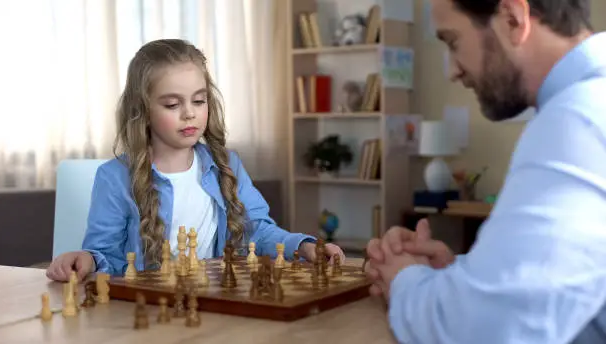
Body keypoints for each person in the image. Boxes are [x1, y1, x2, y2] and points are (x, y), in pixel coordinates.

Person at [366, 0, 606, 343]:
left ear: (512, 18)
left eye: (452, 41)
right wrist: (462, 278)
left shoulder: (577, 119)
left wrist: (405, 279)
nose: (452, 71)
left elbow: (492, 329)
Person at [47, 39, 344, 282]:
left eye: (199, 101)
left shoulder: (227, 164)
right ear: (143, 109)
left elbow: (258, 230)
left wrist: (303, 246)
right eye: (173, 104)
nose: (189, 113)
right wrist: (86, 259)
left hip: (209, 299)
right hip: (148, 306)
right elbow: (106, 255)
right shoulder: (114, 177)